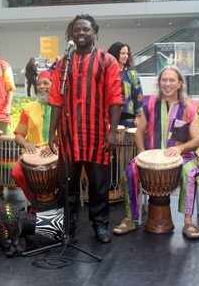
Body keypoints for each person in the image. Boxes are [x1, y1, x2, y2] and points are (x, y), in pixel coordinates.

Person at [48, 14, 124, 243]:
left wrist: (112, 131)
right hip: (70, 136)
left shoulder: (107, 61)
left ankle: (100, 227)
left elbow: (115, 98)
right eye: (77, 30)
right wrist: (52, 132)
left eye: (86, 30)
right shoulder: (62, 63)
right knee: (67, 187)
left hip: (97, 135)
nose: (81, 33)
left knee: (99, 187)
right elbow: (55, 100)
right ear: (71, 34)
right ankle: (68, 228)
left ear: (95, 32)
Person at [115, 66, 199, 238]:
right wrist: (142, 154)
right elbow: (139, 132)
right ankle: (129, 219)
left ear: (179, 84)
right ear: (159, 82)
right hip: (151, 155)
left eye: (172, 80)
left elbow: (197, 140)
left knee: (189, 171)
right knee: (129, 171)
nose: (167, 84)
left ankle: (188, 222)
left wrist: (180, 148)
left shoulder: (189, 107)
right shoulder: (149, 104)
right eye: (164, 80)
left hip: (183, 156)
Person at [11, 70, 55, 206]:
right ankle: (36, 203)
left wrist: (55, 146)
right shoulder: (28, 108)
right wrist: (25, 144)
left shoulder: (61, 107)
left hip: (56, 152)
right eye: (39, 84)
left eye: (46, 83)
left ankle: (55, 203)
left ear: (54, 85)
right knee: (17, 173)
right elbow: (19, 135)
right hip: (32, 154)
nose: (41, 86)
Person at [107, 42, 143, 128]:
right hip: (109, 118)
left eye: (127, 53)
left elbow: (139, 96)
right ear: (115, 54)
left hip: (129, 120)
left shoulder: (132, 74)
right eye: (123, 53)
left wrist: (138, 117)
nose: (126, 56)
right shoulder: (107, 73)